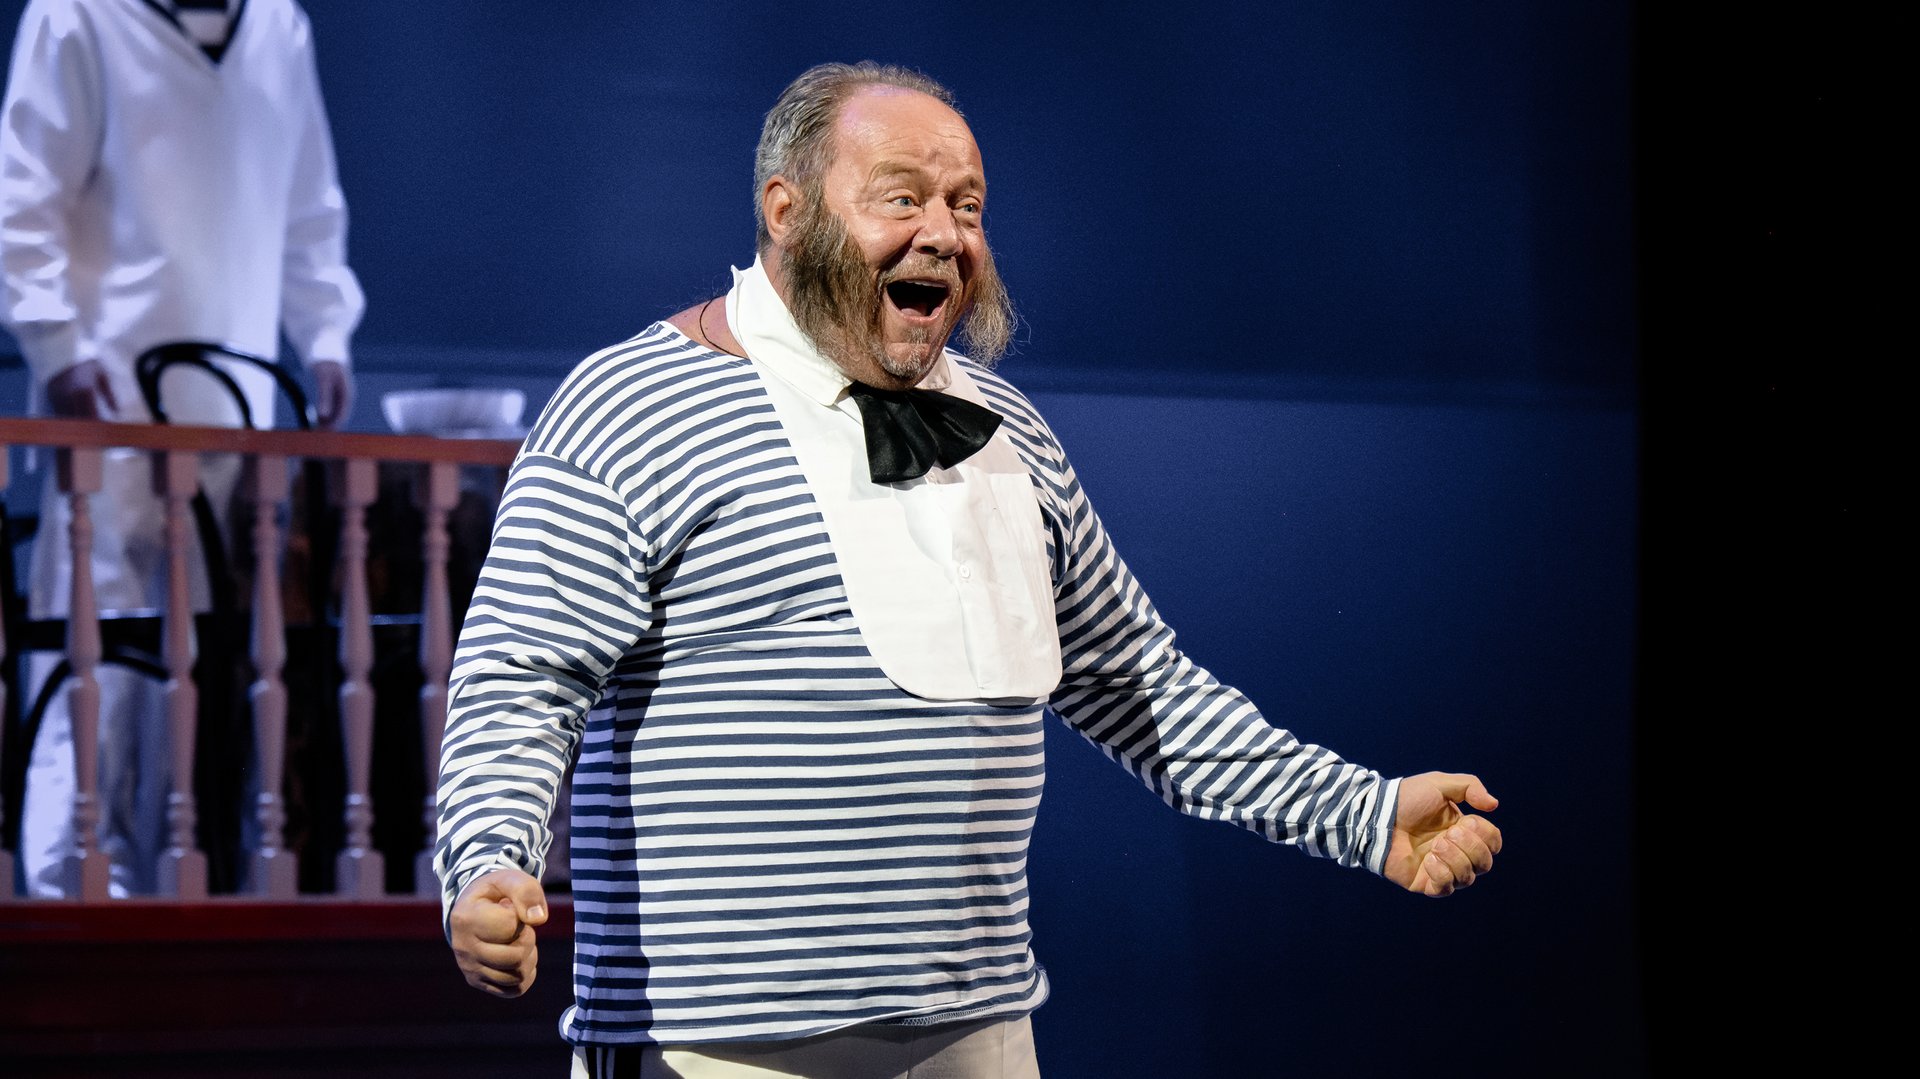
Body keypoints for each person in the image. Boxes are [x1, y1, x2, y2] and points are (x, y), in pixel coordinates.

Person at [435, 62, 1502, 1078]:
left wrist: (1364, 814)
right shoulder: (633, 407)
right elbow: (519, 677)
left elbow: (1142, 686)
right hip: (720, 1045)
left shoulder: (1007, 431)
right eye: (902, 198)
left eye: (968, 206)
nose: (944, 234)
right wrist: (486, 861)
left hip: (979, 1035)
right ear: (786, 211)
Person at [0, 0, 363, 896]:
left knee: (204, 664)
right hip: (111, 413)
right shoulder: (78, 14)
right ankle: (68, 875)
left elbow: (306, 207)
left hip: (233, 419)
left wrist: (324, 335)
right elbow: (22, 199)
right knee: (98, 650)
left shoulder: (277, 27)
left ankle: (169, 879)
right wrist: (58, 349)